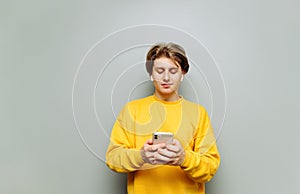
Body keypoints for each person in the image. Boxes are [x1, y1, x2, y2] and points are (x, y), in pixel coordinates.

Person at [106, 42, 220, 194]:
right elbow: (113, 158)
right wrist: (141, 156)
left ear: (183, 74)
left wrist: (183, 158)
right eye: (160, 71)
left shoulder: (199, 113)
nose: (166, 77)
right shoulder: (131, 110)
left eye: (173, 71)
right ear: (151, 74)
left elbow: (210, 167)